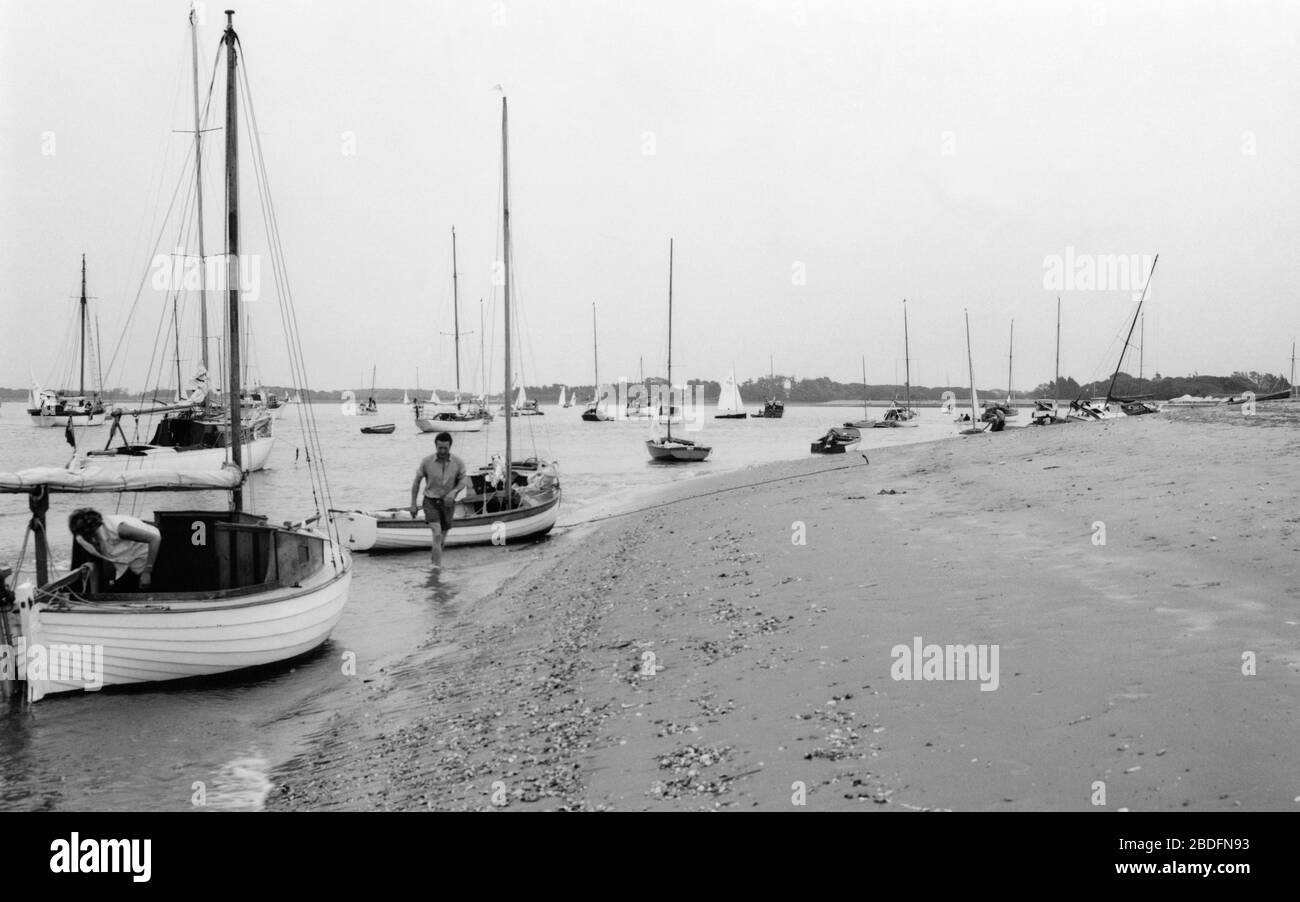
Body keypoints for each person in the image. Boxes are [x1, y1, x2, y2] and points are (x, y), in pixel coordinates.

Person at [410, 432, 471, 574]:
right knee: (437, 534)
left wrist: (454, 492)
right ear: (435, 446)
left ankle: (433, 563)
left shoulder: (458, 462)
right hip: (430, 501)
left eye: (445, 448)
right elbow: (417, 482)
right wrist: (413, 504)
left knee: (441, 538)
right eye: (439, 448)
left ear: (450, 447)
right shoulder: (427, 462)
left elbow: (463, 480)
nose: (442, 451)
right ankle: (436, 570)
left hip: (448, 504)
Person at [68, 508, 162, 592]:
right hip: (128, 558)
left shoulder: (118, 528)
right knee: (119, 590)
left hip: (154, 550)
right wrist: (94, 595)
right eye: (88, 537)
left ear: (98, 526)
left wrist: (147, 572)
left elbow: (155, 539)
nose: (93, 540)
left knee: (153, 588)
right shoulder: (81, 538)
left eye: (94, 534)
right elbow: (94, 565)